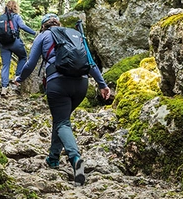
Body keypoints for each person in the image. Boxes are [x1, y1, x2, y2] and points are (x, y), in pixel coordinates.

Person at [13, 13, 111, 186]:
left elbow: (30, 63)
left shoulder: (43, 36)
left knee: (62, 122)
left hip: (58, 83)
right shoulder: (75, 34)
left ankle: (76, 159)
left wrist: (20, 78)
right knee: (60, 119)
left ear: (43, 25)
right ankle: (53, 158)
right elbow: (91, 62)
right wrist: (102, 84)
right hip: (81, 85)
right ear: (58, 23)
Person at [0, 0, 36, 97]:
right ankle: (17, 77)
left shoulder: (0, 18)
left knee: (5, 65)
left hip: (3, 44)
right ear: (16, 7)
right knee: (23, 57)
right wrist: (34, 33)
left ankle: (4, 87)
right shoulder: (16, 17)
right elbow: (23, 26)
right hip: (15, 42)